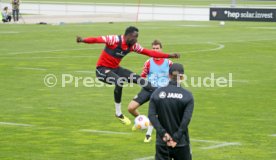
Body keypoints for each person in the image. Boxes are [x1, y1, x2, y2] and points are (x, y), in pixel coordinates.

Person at [76, 26, 180, 126]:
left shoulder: (133, 46)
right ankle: (118, 113)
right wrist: (83, 40)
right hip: (102, 69)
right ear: (128, 35)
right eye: (134, 37)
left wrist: (169, 55)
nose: (136, 39)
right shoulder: (114, 39)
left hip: (116, 69)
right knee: (119, 82)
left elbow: (150, 53)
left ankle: (162, 110)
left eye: (137, 37)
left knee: (146, 84)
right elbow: (97, 39)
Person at [128, 40, 173, 143]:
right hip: (148, 88)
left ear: (161, 49)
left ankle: (148, 134)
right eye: (153, 48)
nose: (155, 50)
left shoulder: (168, 62)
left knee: (154, 113)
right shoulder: (148, 62)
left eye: (157, 48)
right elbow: (143, 76)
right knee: (131, 108)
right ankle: (141, 122)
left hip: (161, 91)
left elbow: (174, 77)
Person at [148, 63, 194, 160]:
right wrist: (176, 138)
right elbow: (186, 120)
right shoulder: (187, 96)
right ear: (181, 77)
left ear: (169, 75)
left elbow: (151, 116)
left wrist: (164, 135)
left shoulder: (156, 93)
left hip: (162, 142)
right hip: (181, 143)